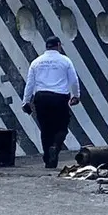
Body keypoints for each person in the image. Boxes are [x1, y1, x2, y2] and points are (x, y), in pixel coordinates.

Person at [23, 36, 81, 169]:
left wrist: (26, 101)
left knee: (45, 129)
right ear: (59, 45)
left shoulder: (36, 62)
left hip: (41, 98)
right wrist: (76, 96)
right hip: (59, 98)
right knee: (62, 127)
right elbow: (73, 80)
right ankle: (55, 147)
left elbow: (30, 84)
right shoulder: (65, 61)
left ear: (46, 46)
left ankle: (49, 160)